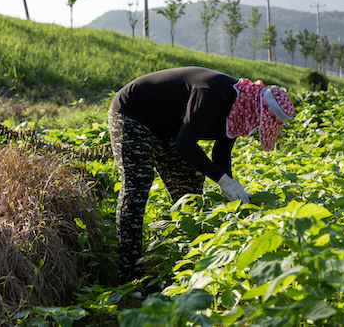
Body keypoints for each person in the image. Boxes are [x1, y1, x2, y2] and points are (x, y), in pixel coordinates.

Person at [108, 66, 296, 284]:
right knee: (138, 184)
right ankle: (129, 274)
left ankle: (187, 259)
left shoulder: (240, 106)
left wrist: (232, 189)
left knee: (189, 188)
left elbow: (221, 152)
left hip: (168, 127)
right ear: (258, 109)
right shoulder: (213, 94)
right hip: (133, 114)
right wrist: (224, 181)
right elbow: (184, 145)